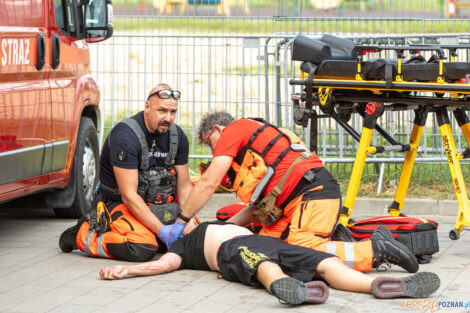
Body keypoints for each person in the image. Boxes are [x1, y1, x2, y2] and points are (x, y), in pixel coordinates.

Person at [159, 111, 419, 273]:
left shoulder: (234, 131)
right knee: (266, 249)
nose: (213, 153)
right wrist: (220, 228)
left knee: (298, 251)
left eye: (210, 144)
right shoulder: (255, 145)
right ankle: (346, 240)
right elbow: (256, 209)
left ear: (217, 130)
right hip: (298, 202)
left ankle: (374, 251)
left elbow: (206, 184)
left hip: (313, 193)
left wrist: (180, 222)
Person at [100, 223, 440, 305]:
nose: (184, 222)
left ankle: (380, 287)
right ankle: (286, 288)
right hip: (233, 249)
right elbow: (163, 266)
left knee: (326, 261)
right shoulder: (184, 245)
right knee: (261, 263)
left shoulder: (220, 222)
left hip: (273, 242)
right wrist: (127, 270)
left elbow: (250, 210)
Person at [59, 83, 194, 262]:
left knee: (195, 239)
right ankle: (82, 233)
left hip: (158, 206)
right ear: (147, 107)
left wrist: (186, 220)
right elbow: (129, 196)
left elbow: (184, 186)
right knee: (143, 247)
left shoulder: (178, 137)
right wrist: (162, 231)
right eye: (162, 111)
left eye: (173, 112)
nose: (168, 118)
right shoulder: (125, 136)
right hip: (119, 204)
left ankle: (157, 233)